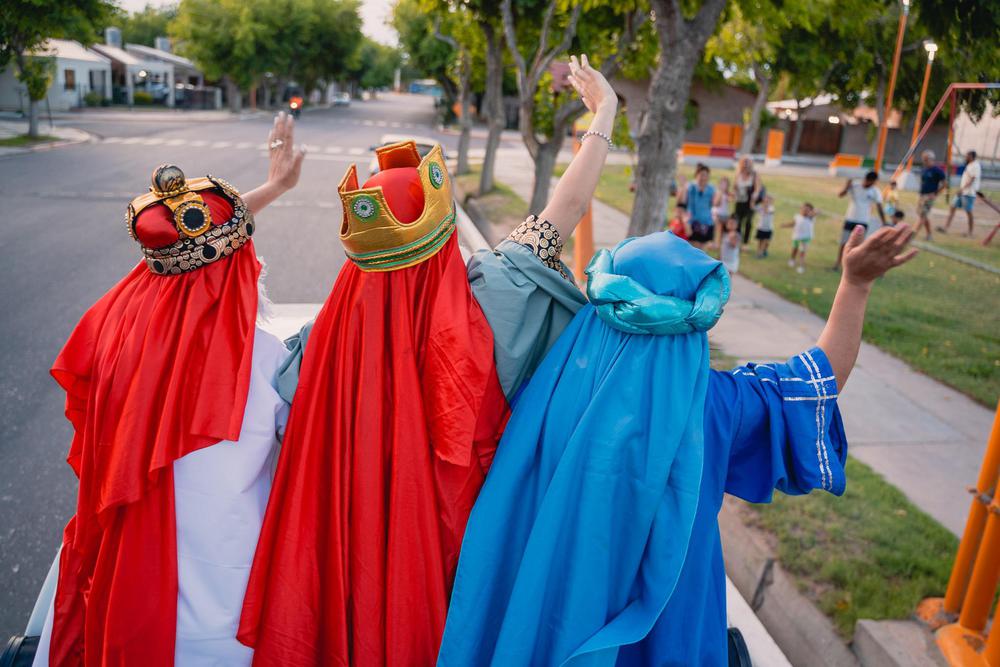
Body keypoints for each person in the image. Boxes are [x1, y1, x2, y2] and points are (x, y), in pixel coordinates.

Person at [236, 54, 613, 667]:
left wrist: (273, 189)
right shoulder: (495, 296)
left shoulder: (321, 341)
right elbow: (562, 215)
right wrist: (605, 116)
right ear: (445, 233)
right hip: (460, 559)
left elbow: (193, 276)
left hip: (353, 567)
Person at [438, 221, 918, 666]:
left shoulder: (547, 382)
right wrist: (854, 287)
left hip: (549, 606)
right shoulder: (712, 409)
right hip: (667, 626)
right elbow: (815, 380)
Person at [31, 114, 306, 666]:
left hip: (129, 579)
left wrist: (272, 189)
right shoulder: (268, 358)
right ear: (243, 267)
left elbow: (196, 245)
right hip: (229, 597)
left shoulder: (113, 338)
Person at [834, 171, 886, 270]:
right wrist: (846, 186)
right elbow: (840, 195)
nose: (868, 183)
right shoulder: (855, 185)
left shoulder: (875, 191)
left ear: (874, 182)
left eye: (872, 182)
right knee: (844, 242)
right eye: (867, 181)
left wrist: (884, 221)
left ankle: (853, 266)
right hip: (850, 218)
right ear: (865, 178)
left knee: (858, 246)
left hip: (863, 221)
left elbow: (879, 207)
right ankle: (838, 263)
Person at [940, 150, 981, 237]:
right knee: (952, 207)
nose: (966, 157)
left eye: (967, 156)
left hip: (968, 193)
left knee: (968, 212)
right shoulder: (969, 165)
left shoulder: (976, 166)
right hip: (962, 192)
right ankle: (945, 227)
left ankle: (970, 232)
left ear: (972, 157)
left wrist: (962, 189)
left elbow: (972, 179)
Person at [679, 163, 716, 249]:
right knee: (692, 249)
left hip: (706, 223)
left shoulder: (711, 189)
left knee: (702, 251)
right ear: (697, 175)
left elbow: (714, 205)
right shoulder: (691, 187)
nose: (703, 178)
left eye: (706, 175)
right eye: (701, 175)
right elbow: (683, 203)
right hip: (692, 222)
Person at [916, 150, 946, 241]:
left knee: (923, 215)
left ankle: (913, 233)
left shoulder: (937, 170)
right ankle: (929, 235)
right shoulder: (924, 169)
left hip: (929, 196)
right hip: (922, 195)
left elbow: (944, 184)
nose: (924, 161)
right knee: (922, 215)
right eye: (923, 159)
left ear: (931, 159)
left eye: (925, 159)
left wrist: (935, 194)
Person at [733, 155, 761, 245]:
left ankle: (745, 242)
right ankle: (737, 239)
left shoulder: (754, 174)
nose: (746, 164)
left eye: (747, 162)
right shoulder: (738, 173)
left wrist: (755, 196)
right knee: (738, 221)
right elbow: (735, 186)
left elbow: (758, 188)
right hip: (739, 200)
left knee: (748, 221)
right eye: (744, 162)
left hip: (750, 202)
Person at [784, 202, 816, 274]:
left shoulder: (811, 218)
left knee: (802, 252)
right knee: (794, 249)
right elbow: (793, 224)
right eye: (803, 209)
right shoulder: (797, 216)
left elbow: (816, 212)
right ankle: (792, 260)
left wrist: (812, 212)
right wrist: (785, 225)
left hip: (806, 238)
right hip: (797, 236)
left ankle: (801, 266)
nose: (804, 211)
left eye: (807, 210)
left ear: (810, 211)